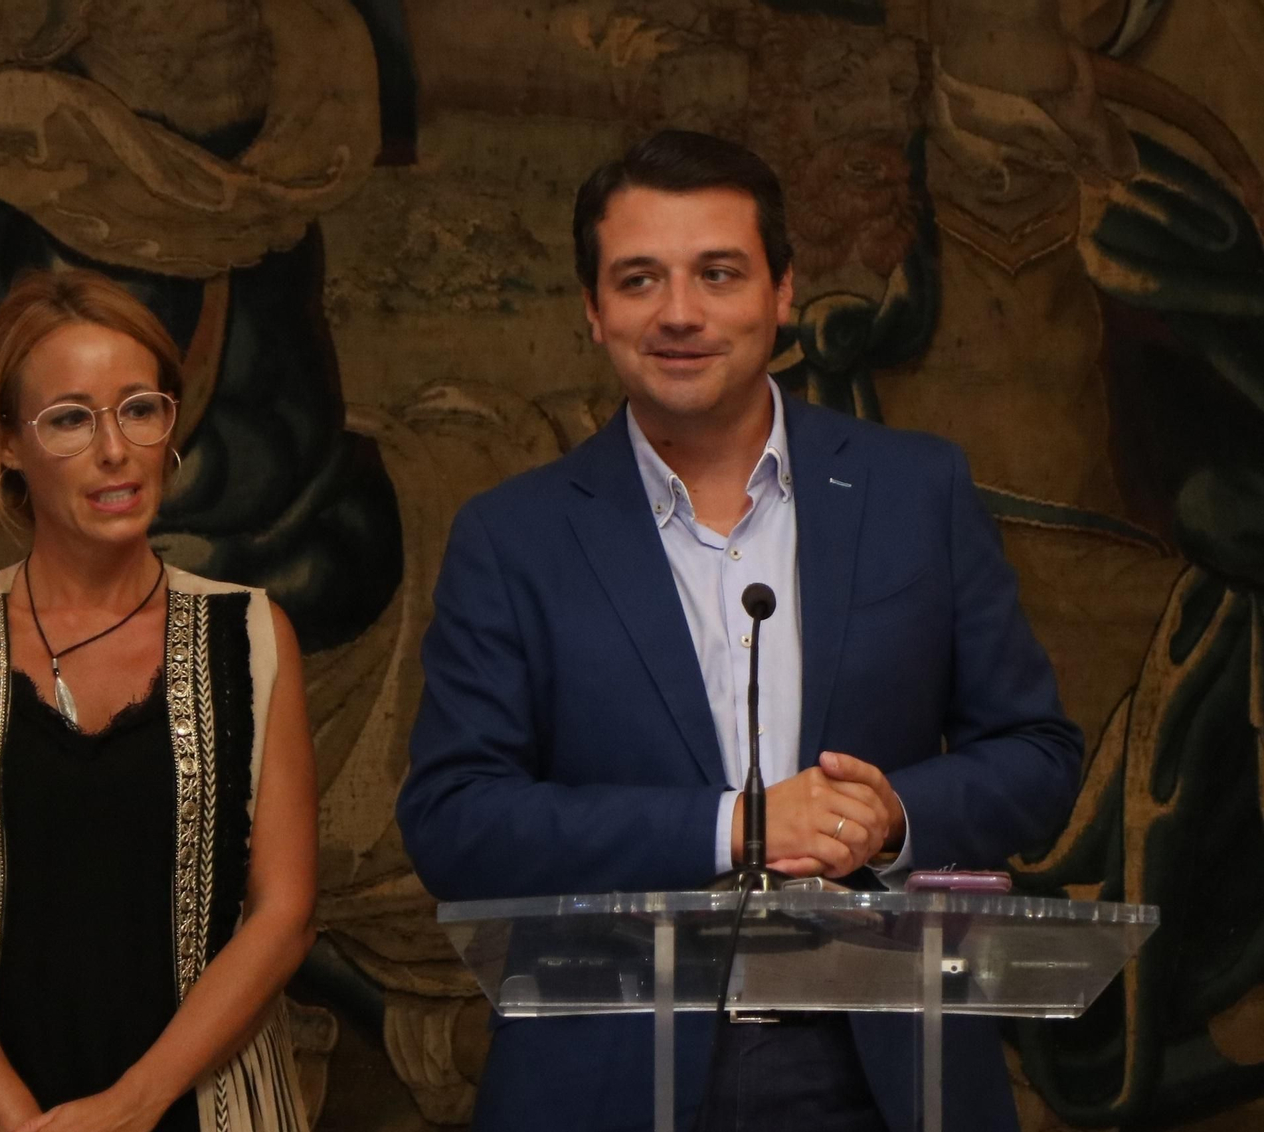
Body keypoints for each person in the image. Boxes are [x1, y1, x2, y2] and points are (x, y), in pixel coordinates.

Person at [396, 130, 1084, 1132]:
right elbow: (455, 821)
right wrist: (737, 826)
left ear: (782, 292)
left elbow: (1036, 755)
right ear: (593, 310)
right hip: (605, 1075)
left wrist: (891, 816)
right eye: (639, 279)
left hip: (884, 1066)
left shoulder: (914, 490)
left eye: (718, 273)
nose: (679, 312)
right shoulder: (511, 537)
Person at [0, 268, 318, 1132]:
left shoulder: (251, 637)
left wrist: (129, 1109)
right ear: (7, 443)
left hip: (197, 1106)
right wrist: (24, 1123)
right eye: (70, 418)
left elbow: (283, 916)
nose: (115, 450)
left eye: (140, 408)